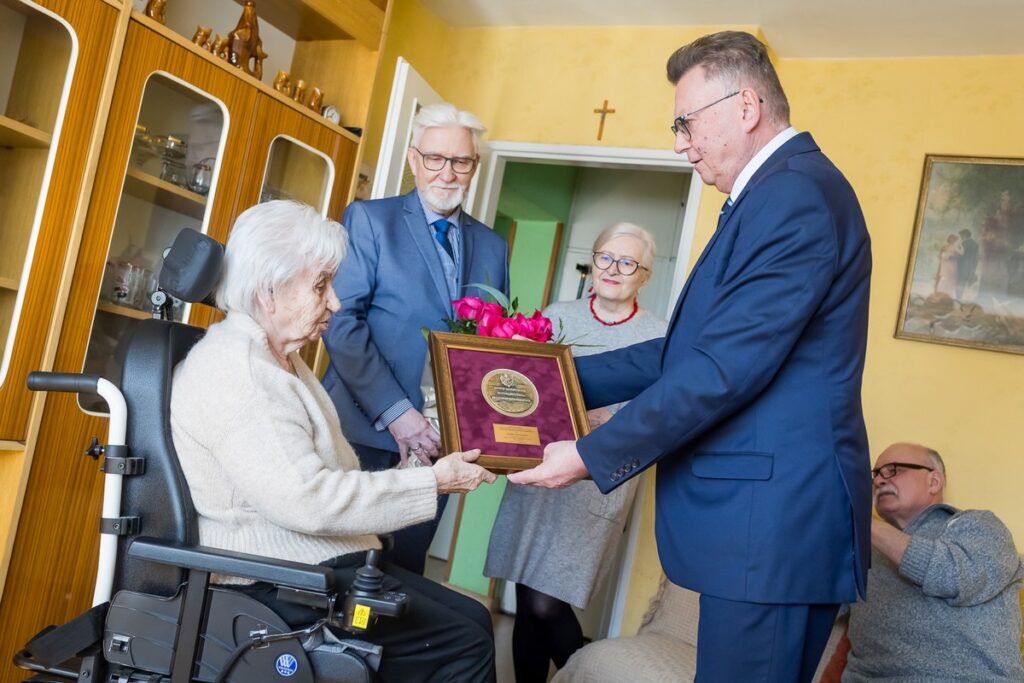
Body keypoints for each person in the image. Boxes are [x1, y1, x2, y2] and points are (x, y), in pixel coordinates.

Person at [511, 30, 873, 683]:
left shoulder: (795, 196)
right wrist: (541, 381)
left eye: (686, 122)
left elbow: (722, 370)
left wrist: (591, 455)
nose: (679, 143)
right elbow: (685, 353)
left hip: (772, 526)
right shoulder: (771, 196)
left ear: (745, 106)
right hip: (761, 528)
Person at [171, 200, 498, 683]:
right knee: (464, 643)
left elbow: (323, 478)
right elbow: (309, 500)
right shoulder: (240, 372)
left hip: (318, 562)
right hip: (276, 579)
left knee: (474, 621)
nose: (337, 303)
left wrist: (414, 471)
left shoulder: (279, 360)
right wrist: (433, 483)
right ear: (269, 291)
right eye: (321, 285)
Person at [322, 102, 509, 575]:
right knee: (341, 569)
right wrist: (399, 414)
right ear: (413, 159)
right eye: (435, 159)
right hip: (362, 433)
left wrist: (466, 428)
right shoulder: (370, 220)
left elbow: (489, 348)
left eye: (460, 161)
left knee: (405, 576)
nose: (447, 173)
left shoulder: (493, 246)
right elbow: (342, 324)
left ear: (474, 167)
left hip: (439, 450)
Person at [485, 223, 667, 681]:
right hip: (538, 474)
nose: (613, 269)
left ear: (644, 275)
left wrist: (591, 422)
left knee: (548, 603)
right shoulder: (554, 317)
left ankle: (587, 675)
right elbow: (523, 394)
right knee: (528, 600)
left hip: (594, 483)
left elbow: (656, 420)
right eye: (605, 257)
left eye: (628, 263)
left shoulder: (659, 334)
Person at [843, 443, 1024, 682]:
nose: (879, 481)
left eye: (894, 469)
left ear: (934, 482)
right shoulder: (859, 549)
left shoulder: (978, 526)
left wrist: (865, 524)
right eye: (875, 474)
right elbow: (816, 603)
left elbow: (954, 577)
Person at [934, 233, 962, 298]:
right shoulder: (947, 247)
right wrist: (946, 256)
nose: (956, 242)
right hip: (947, 266)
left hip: (951, 266)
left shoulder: (953, 247)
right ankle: (941, 295)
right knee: (944, 280)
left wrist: (951, 256)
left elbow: (959, 255)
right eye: (956, 240)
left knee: (949, 281)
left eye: (956, 240)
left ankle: (947, 296)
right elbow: (941, 256)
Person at [956, 228, 979, 299]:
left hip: (962, 267)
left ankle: (958, 298)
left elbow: (960, 256)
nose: (961, 237)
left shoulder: (964, 244)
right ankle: (960, 298)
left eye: (961, 235)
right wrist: (973, 268)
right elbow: (976, 258)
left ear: (964, 235)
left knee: (960, 283)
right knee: (964, 283)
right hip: (970, 268)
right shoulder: (975, 244)